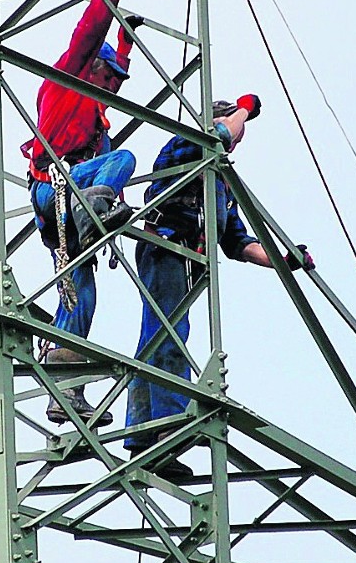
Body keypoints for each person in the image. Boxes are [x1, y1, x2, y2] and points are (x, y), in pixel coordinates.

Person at [124, 95, 315, 478]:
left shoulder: (220, 185)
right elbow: (221, 134)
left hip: (187, 259)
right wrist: (243, 109)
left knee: (159, 337)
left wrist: (284, 260)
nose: (237, 142)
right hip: (166, 246)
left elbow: (238, 243)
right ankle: (167, 425)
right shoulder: (187, 144)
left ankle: (146, 437)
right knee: (169, 334)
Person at [21, 0, 144, 425]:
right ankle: (96, 210)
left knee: (82, 298)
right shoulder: (66, 82)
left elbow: (113, 60)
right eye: (110, 77)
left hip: (71, 211)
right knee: (124, 161)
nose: (115, 86)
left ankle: (64, 387)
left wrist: (126, 45)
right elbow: (88, 34)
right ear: (93, 70)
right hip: (54, 191)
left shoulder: (97, 122)